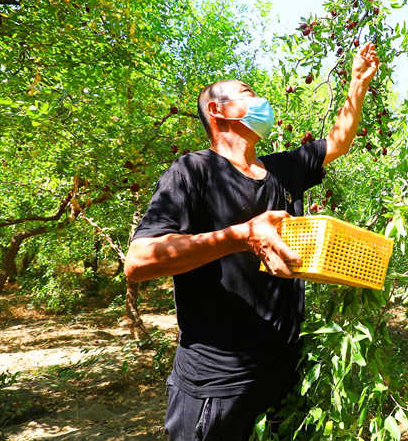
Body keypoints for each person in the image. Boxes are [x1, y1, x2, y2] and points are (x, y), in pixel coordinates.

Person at [124, 42, 379, 440]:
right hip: (218, 385)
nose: (261, 101)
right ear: (217, 111)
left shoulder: (281, 170)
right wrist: (241, 235)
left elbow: (338, 141)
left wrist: (357, 83)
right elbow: (138, 262)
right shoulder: (194, 171)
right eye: (248, 94)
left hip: (284, 377)